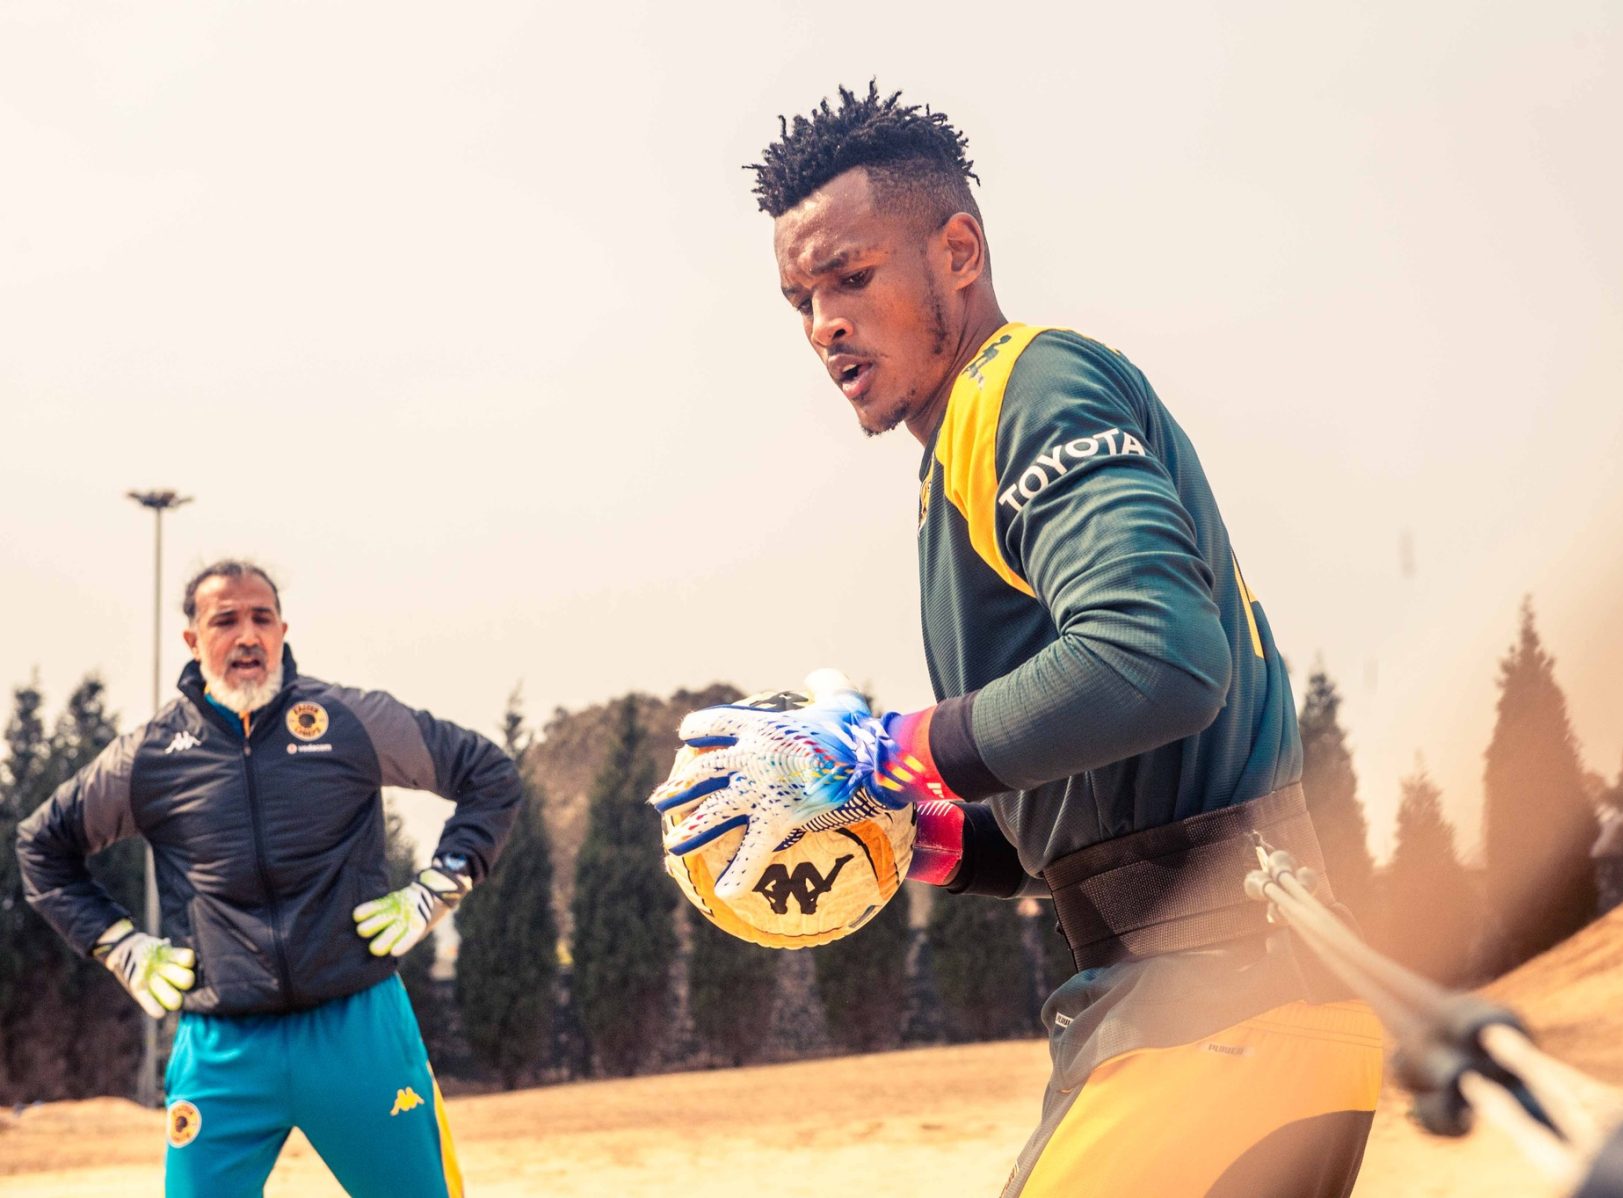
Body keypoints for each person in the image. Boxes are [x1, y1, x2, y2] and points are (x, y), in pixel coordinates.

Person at [656, 84, 1383, 1196]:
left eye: (850, 277)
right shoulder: (952, 456)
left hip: (1215, 1015)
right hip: (1224, 1009)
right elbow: (1105, 821)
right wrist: (928, 832)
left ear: (957, 251)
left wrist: (892, 749)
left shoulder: (1029, 386)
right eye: (800, 299)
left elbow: (1161, 657)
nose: (824, 326)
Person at [16, 559, 522, 1198]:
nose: (247, 635)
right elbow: (41, 846)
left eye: (262, 618)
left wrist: (435, 892)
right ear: (194, 642)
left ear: (283, 630)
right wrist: (120, 946)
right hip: (223, 1048)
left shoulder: (350, 722)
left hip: (358, 1028)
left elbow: (490, 777)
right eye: (225, 620)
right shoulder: (147, 759)